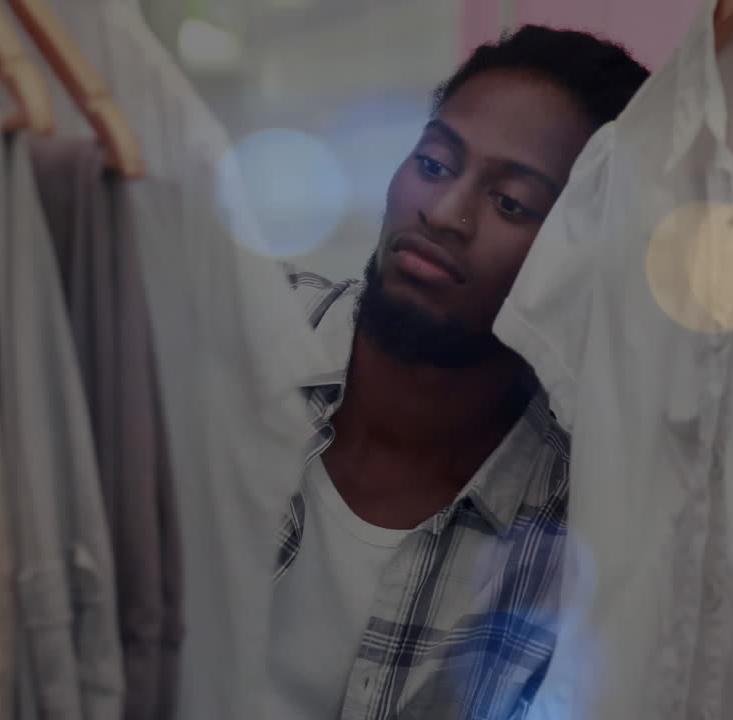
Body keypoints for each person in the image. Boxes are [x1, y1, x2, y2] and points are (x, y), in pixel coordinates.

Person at [267, 26, 650, 720]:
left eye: (512, 203)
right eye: (436, 164)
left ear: (587, 256)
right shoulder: (244, 343)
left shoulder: (580, 527)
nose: (443, 214)